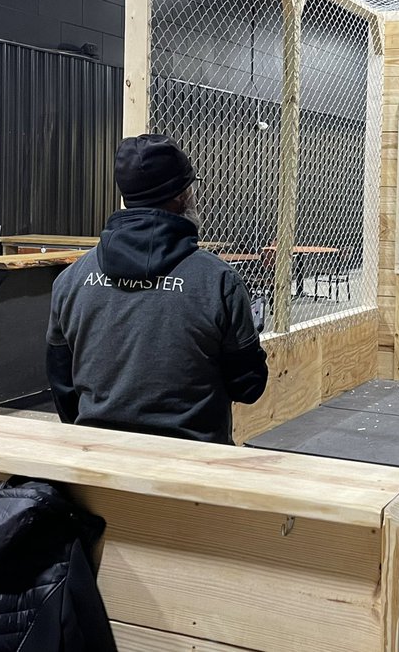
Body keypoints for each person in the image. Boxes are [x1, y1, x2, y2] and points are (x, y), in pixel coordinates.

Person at [46, 134, 268, 444]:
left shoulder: (72, 279)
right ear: (182, 197)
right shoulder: (218, 281)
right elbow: (249, 387)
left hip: (97, 461)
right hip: (193, 465)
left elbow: (62, 387)